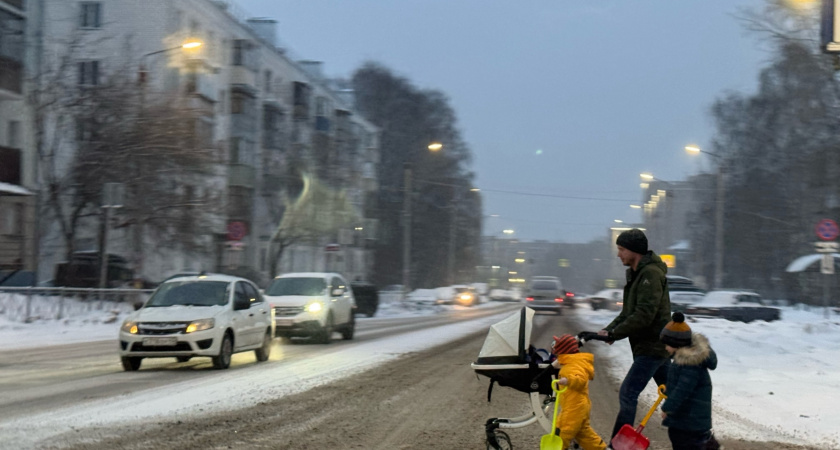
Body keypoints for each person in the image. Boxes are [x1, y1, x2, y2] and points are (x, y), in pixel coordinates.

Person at [597, 228, 672, 439]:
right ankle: (698, 437)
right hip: (653, 346)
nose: (619, 254)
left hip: (652, 346)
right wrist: (609, 330)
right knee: (675, 394)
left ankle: (618, 444)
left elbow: (644, 314)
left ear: (634, 251)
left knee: (628, 393)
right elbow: (628, 312)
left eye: (621, 249)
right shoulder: (638, 274)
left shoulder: (650, 274)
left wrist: (615, 334)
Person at [659, 312, 719, 450]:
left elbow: (683, 389)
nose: (665, 348)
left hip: (691, 420)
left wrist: (668, 407)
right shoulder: (684, 361)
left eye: (667, 344)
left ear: (676, 343)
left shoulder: (690, 363)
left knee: (686, 441)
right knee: (681, 437)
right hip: (688, 419)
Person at [549, 334, 608, 450]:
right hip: (579, 405)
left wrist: (568, 380)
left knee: (563, 431)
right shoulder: (575, 362)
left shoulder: (573, 365)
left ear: (563, 351)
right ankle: (601, 448)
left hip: (574, 407)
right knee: (583, 433)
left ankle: (559, 448)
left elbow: (580, 379)